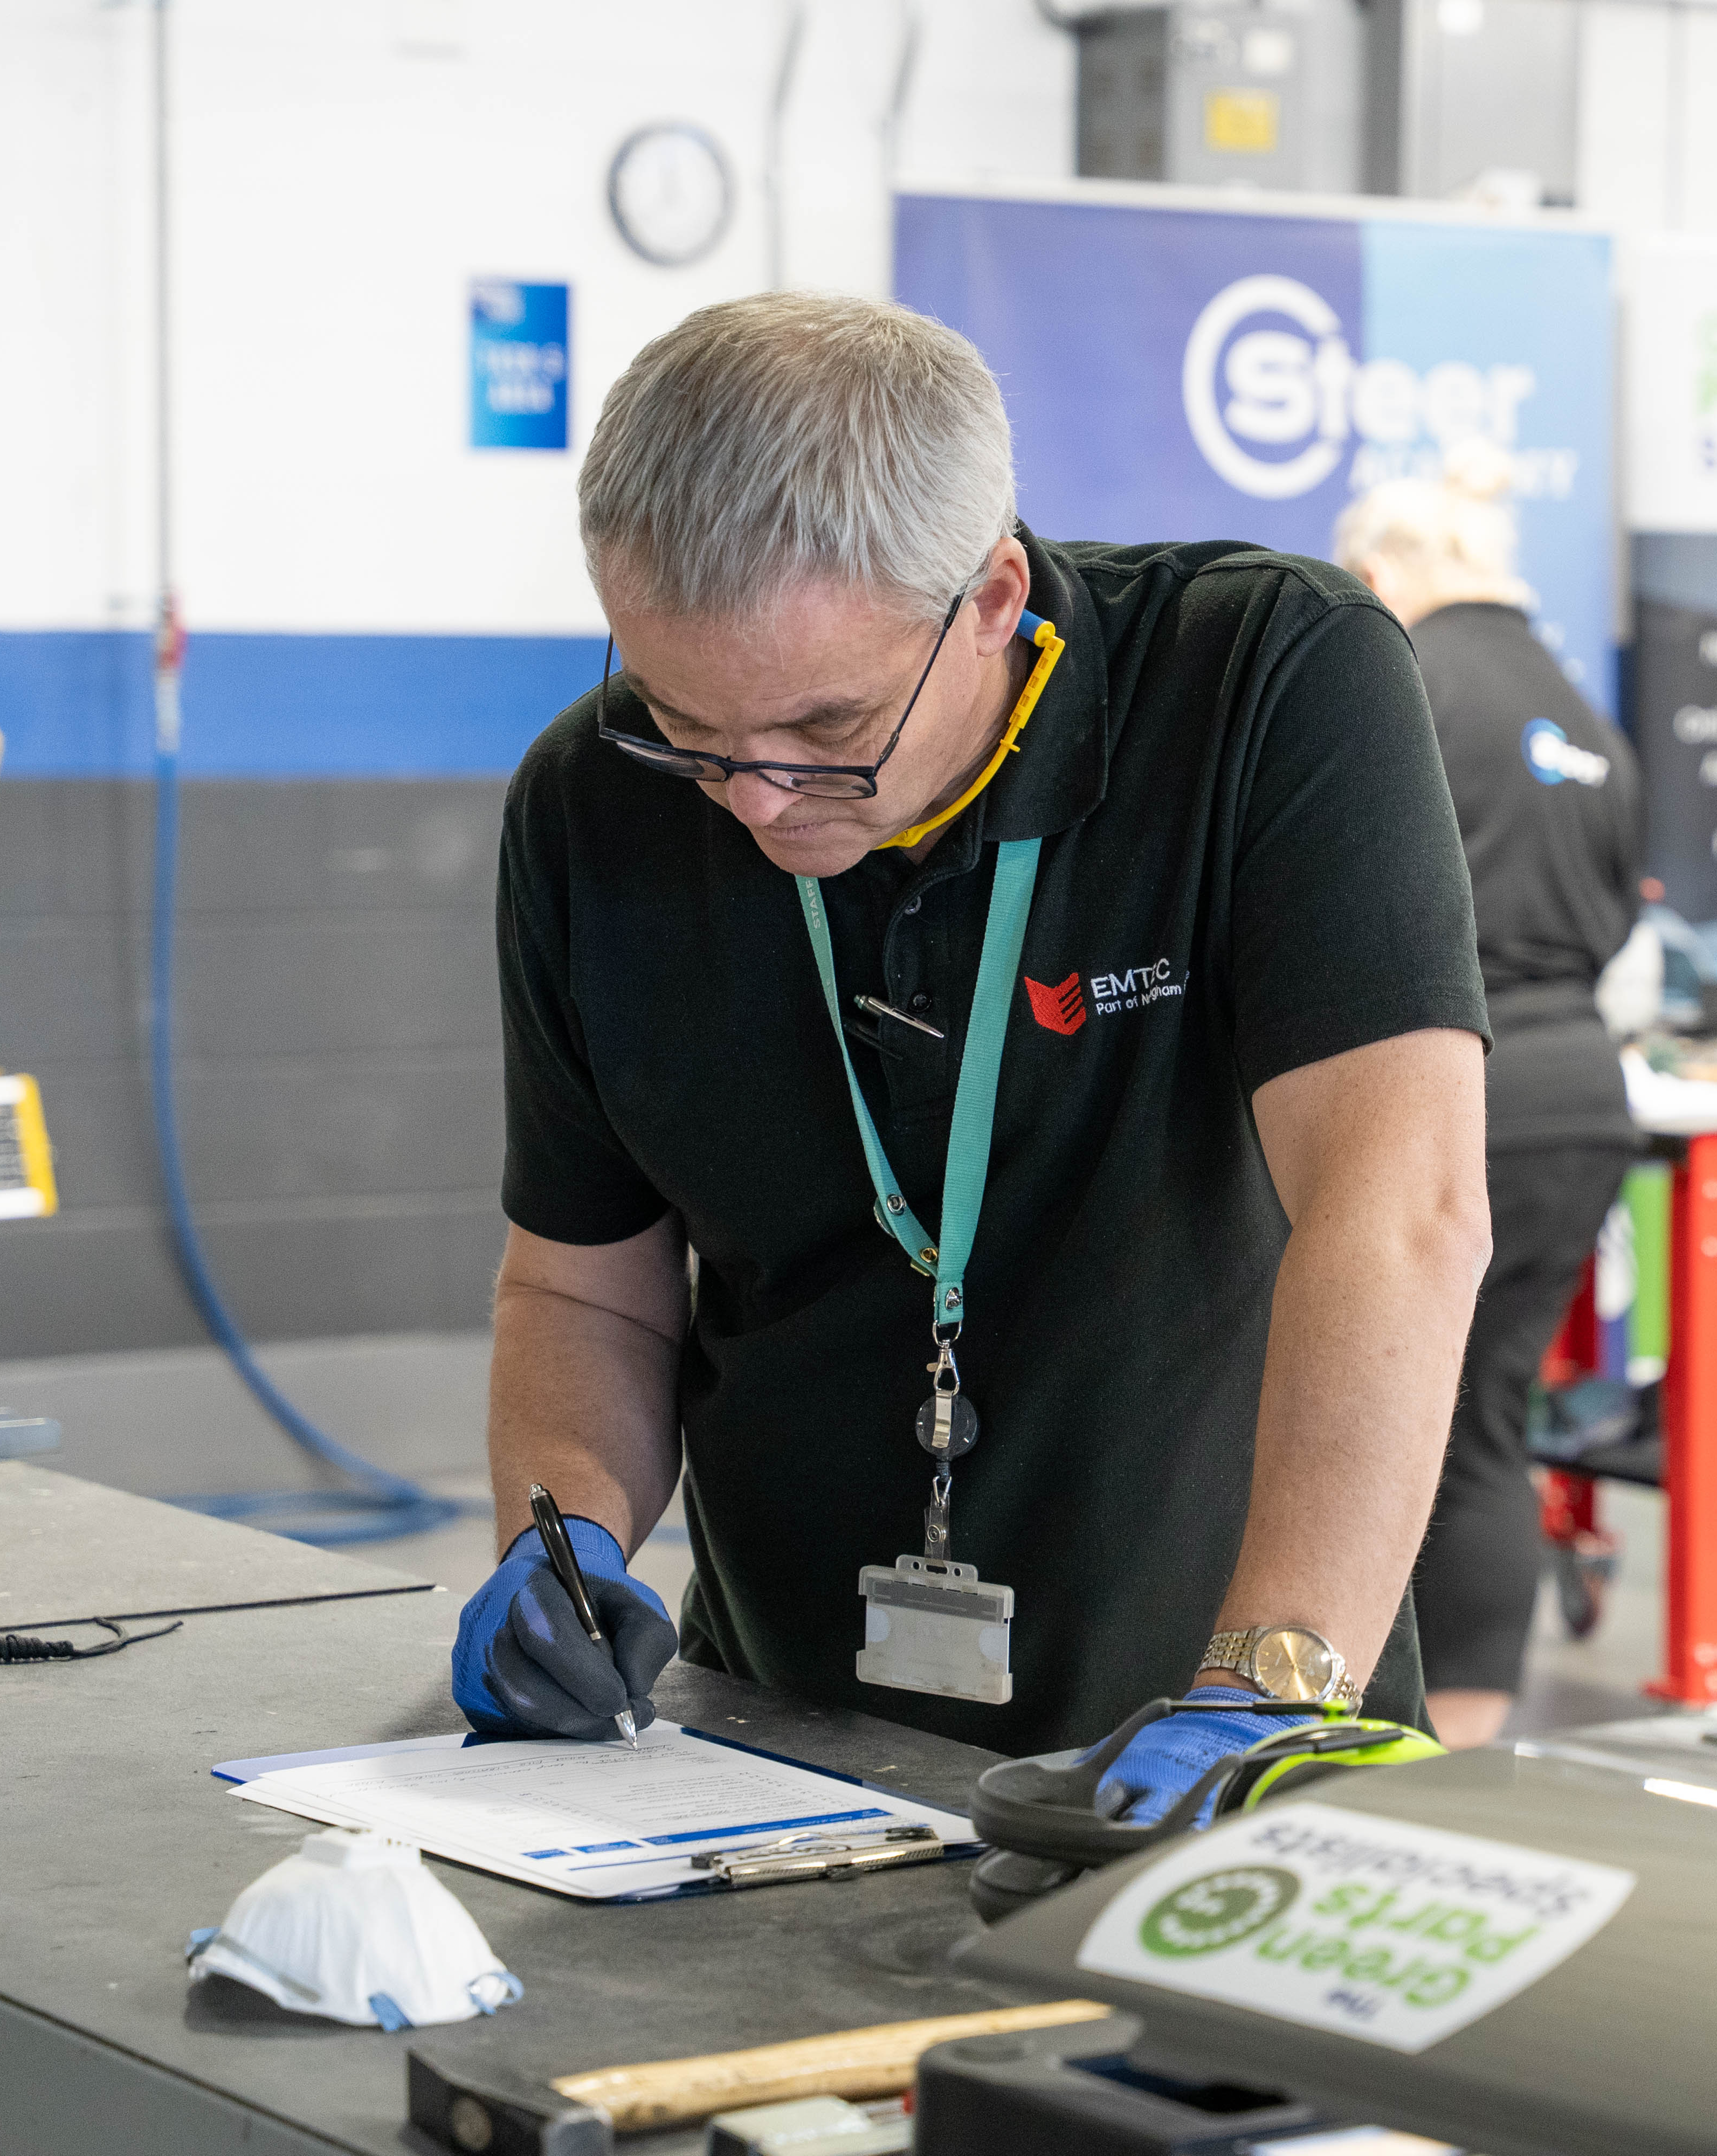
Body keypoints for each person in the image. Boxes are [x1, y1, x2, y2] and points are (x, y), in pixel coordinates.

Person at [451, 293, 1494, 1822]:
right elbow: (579, 1288)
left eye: (831, 725)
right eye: (688, 727)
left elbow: (1402, 1213)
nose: (756, 800)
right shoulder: (583, 813)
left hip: (1229, 1713)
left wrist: (1272, 1688)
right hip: (773, 1751)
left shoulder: (1265, 682)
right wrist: (564, 1541)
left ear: (994, 595)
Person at [1334, 451, 1643, 1750]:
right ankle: (1463, 1734)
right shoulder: (1583, 708)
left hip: (1459, 1097)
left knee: (1398, 1419)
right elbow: (1624, 906)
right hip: (1586, 1097)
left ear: (1380, 574)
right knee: (1485, 1423)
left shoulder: (1404, 684)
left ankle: (1409, 1742)